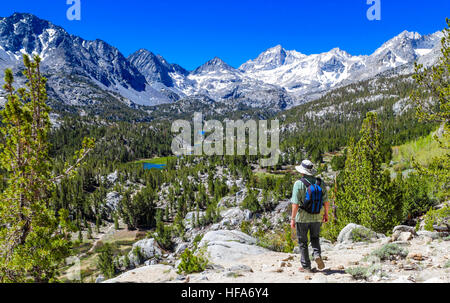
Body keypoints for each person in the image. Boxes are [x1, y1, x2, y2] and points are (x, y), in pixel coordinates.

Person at [290, 160, 329, 273]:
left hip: (302, 218)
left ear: (302, 172)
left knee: (303, 242)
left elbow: (295, 204)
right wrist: (326, 214)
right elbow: (326, 201)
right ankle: (317, 254)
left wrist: (292, 219)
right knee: (315, 238)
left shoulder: (298, 184)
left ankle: (306, 266)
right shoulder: (320, 183)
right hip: (317, 216)